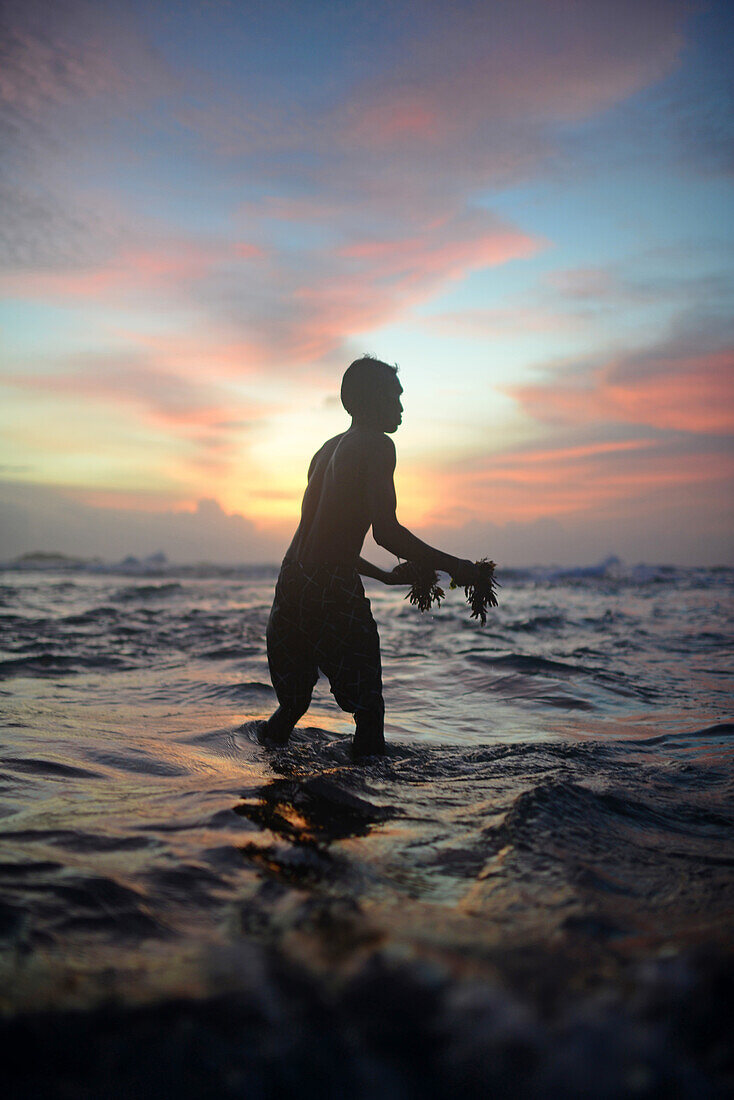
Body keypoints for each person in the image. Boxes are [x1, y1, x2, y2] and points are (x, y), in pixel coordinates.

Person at [259, 356, 481, 759]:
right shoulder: (379, 445)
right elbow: (386, 531)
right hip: (332, 588)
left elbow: (323, 542)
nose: (400, 408)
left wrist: (384, 577)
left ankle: (263, 776)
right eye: (395, 398)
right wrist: (457, 566)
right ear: (371, 399)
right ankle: (367, 806)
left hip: (291, 582)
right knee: (369, 709)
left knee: (292, 705)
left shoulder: (324, 451)